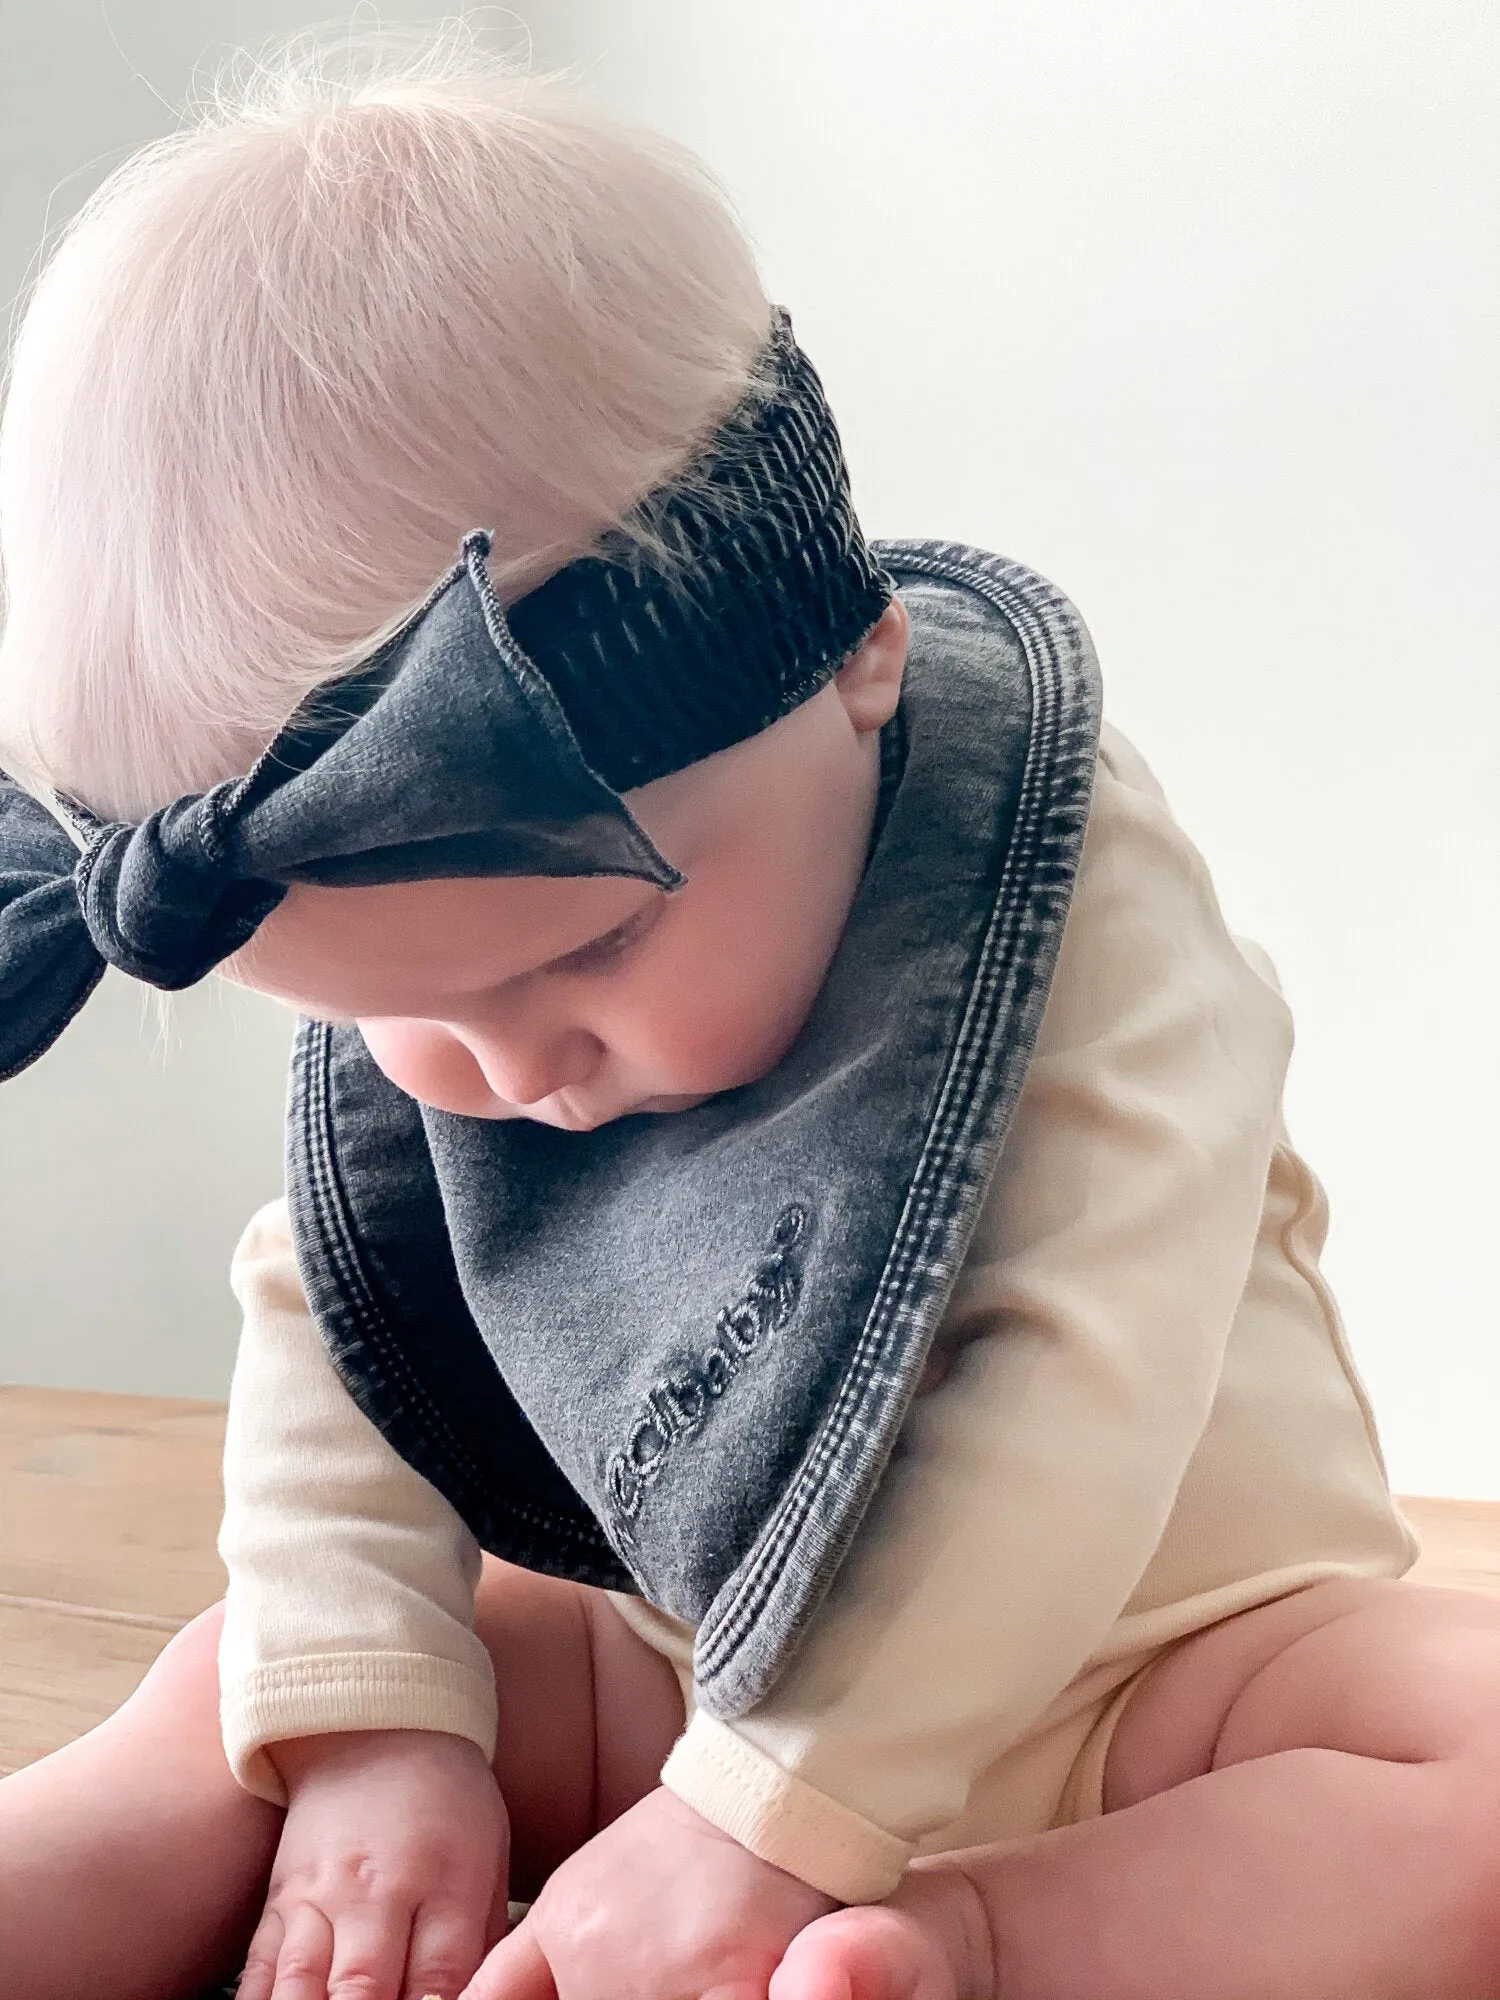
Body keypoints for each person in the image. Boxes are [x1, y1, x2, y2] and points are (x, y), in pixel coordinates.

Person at [1, 24, 1498, 2000]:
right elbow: (339, 1317)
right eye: (409, 1023)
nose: (509, 1071)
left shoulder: (1054, 884)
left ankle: (977, 1939)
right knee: (247, 1686)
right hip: (685, 1673)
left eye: (577, 960)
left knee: (1472, 1747)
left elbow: (1088, 1369)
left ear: (854, 654)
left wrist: (774, 1823)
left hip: (1163, 1681)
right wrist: (383, 1727)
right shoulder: (453, 978)